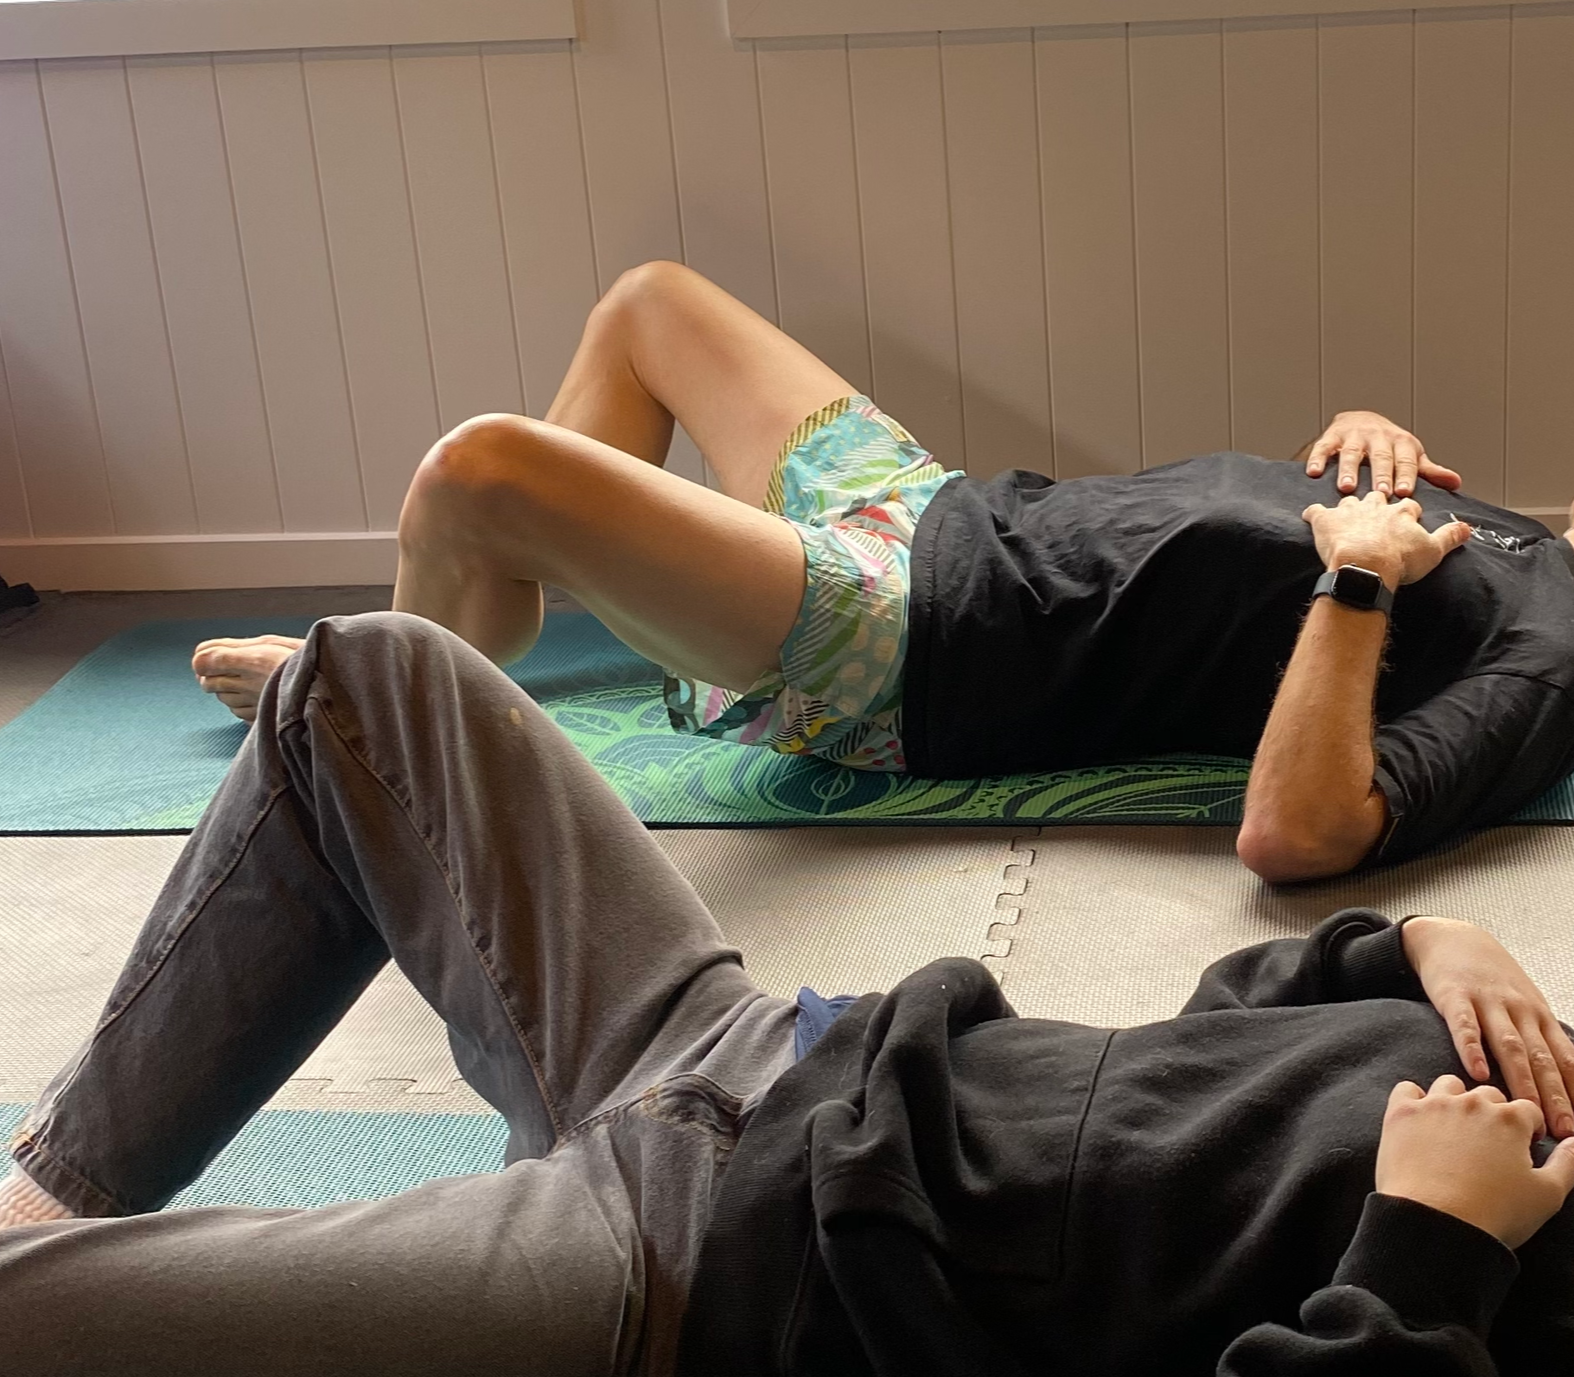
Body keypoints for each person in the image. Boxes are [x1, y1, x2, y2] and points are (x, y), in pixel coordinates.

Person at [7, 612, 1574, 1377]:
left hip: (701, 1322)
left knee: (25, 1350)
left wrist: (1423, 1262)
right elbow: (1193, 1064)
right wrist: (1405, 948)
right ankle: (48, 1195)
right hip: (767, 1054)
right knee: (366, 680)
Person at [189, 262, 1574, 884]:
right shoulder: (1534, 541)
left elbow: (1300, 833)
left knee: (479, 470)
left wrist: (1357, 583)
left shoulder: (1548, 664)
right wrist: (1349, 449)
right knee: (648, 307)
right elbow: (1226, 581)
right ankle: (464, 649)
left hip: (916, 638)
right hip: (934, 511)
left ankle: (374, 699)